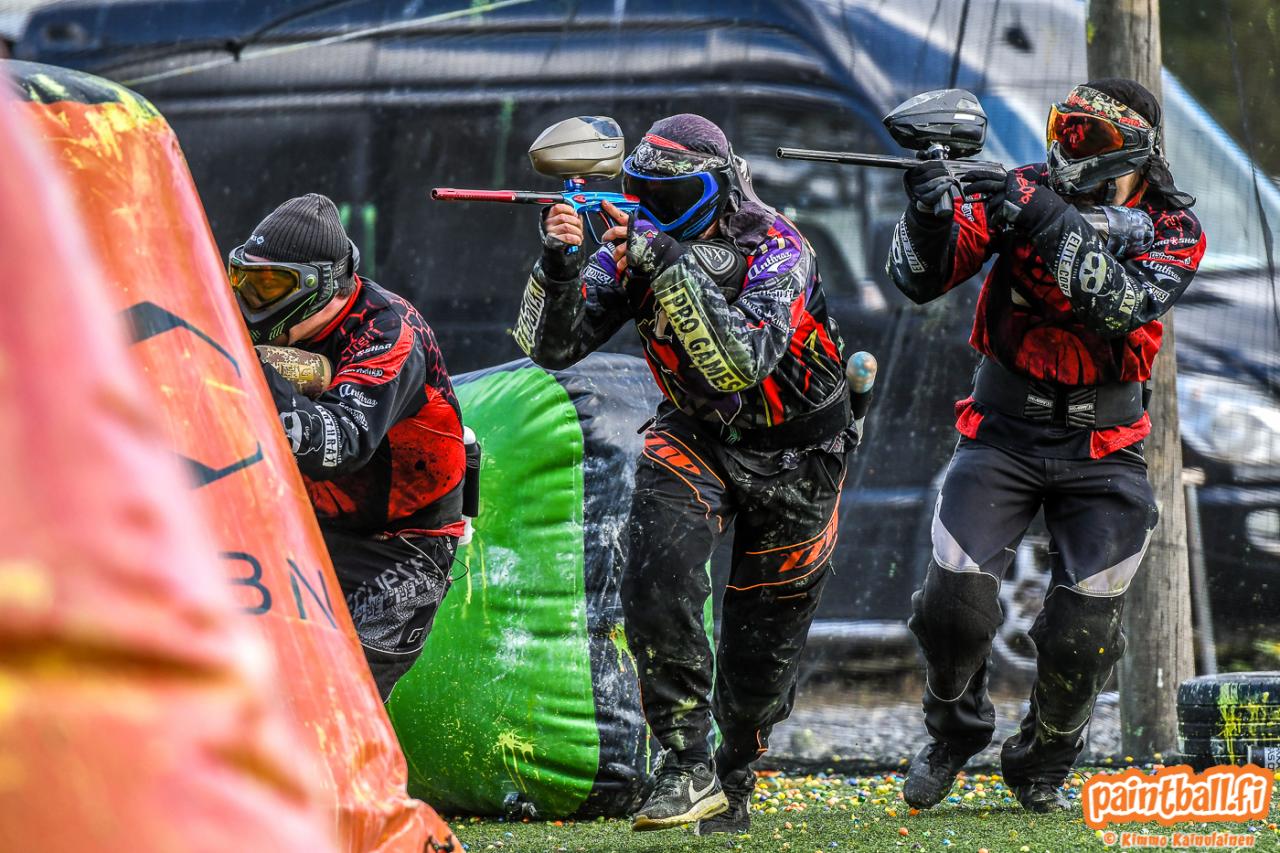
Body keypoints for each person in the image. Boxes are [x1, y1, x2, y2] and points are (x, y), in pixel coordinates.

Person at [514, 114, 857, 833]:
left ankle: (732, 767)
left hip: (801, 454)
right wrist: (561, 266)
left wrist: (665, 261)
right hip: (697, 433)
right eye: (642, 193)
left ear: (719, 189)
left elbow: (740, 363)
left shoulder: (779, 249)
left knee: (760, 658)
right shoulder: (629, 245)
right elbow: (551, 348)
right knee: (656, 569)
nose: (652, 210)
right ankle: (683, 761)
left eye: (672, 198)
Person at [886, 80, 1206, 812]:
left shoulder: (1173, 229)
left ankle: (1044, 758)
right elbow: (920, 279)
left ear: (1133, 150)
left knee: (1082, 635)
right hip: (1003, 432)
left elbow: (1123, 306)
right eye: (1063, 126)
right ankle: (954, 731)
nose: (1066, 146)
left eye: (1087, 135)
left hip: (1106, 445)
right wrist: (929, 215)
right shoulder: (1022, 187)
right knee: (952, 607)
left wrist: (1041, 217)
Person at [228, 193, 466, 702]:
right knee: (235, 676)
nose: (249, 303)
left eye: (268, 287)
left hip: (399, 549)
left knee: (334, 703)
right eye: (242, 281)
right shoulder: (268, 325)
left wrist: (256, 372)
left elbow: (340, 445)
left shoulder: (388, 332)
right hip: (304, 529)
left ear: (319, 286)